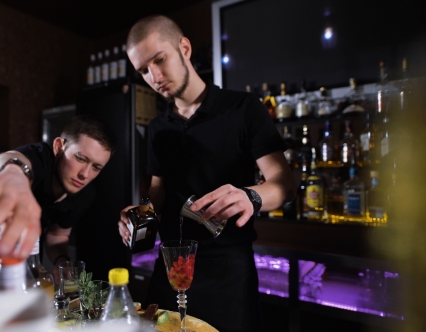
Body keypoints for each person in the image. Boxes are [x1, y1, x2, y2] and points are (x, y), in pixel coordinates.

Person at [117, 15, 296, 331]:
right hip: (170, 265)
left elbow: (284, 182)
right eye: (143, 70)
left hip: (227, 269)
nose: (154, 76)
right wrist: (140, 216)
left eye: (160, 59)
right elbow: (157, 191)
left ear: (183, 47)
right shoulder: (157, 128)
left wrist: (250, 196)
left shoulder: (242, 108)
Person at [0, 114, 117, 278]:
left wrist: (61, 261)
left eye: (96, 167)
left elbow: (57, 234)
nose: (85, 174)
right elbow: (11, 160)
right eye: (80, 158)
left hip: (22, 267)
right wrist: (13, 173)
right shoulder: (39, 159)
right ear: (59, 146)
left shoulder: (84, 194)